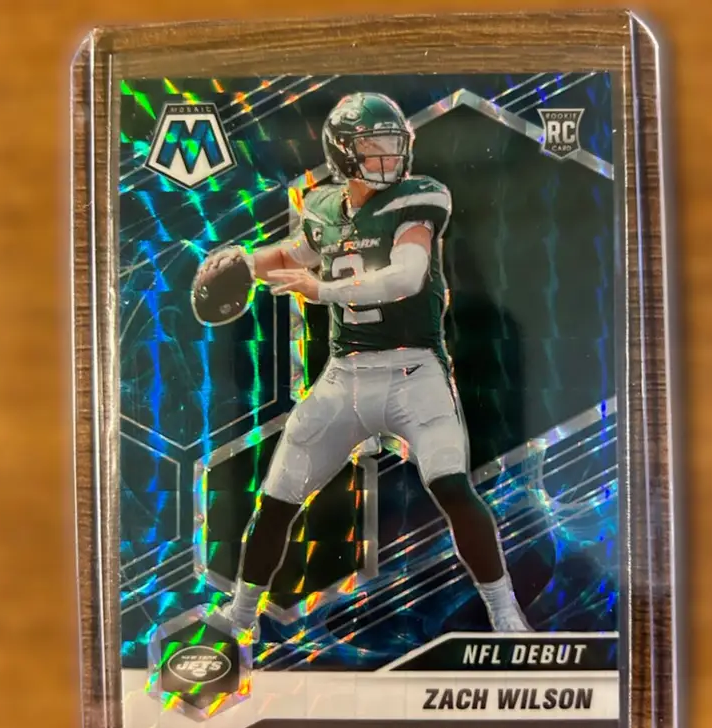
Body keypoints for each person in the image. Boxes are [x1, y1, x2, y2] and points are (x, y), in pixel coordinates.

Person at [193, 92, 530, 638]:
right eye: (374, 146)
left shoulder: (417, 199)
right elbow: (296, 254)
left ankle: (504, 611)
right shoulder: (324, 207)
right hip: (345, 377)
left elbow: (407, 275)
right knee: (277, 500)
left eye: (393, 144)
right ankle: (239, 616)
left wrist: (321, 291)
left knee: (451, 486)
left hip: (415, 373)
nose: (388, 156)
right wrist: (246, 263)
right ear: (343, 153)